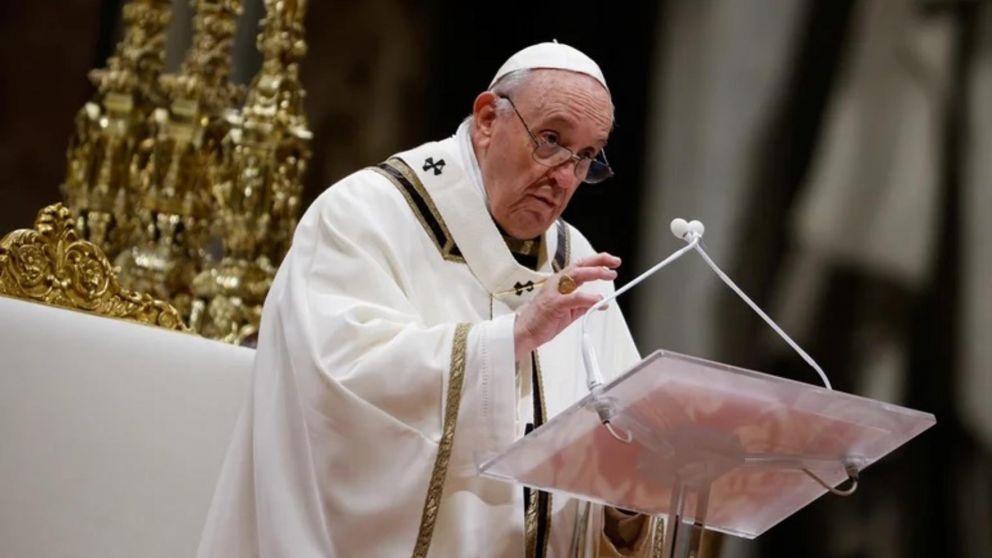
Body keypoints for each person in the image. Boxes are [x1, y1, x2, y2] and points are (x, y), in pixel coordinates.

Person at [197, 42, 660, 557]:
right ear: (487, 119)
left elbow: (624, 441)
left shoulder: (579, 265)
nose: (564, 176)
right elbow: (335, 389)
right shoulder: (363, 215)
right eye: (550, 140)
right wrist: (512, 337)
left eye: (586, 157)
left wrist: (628, 498)